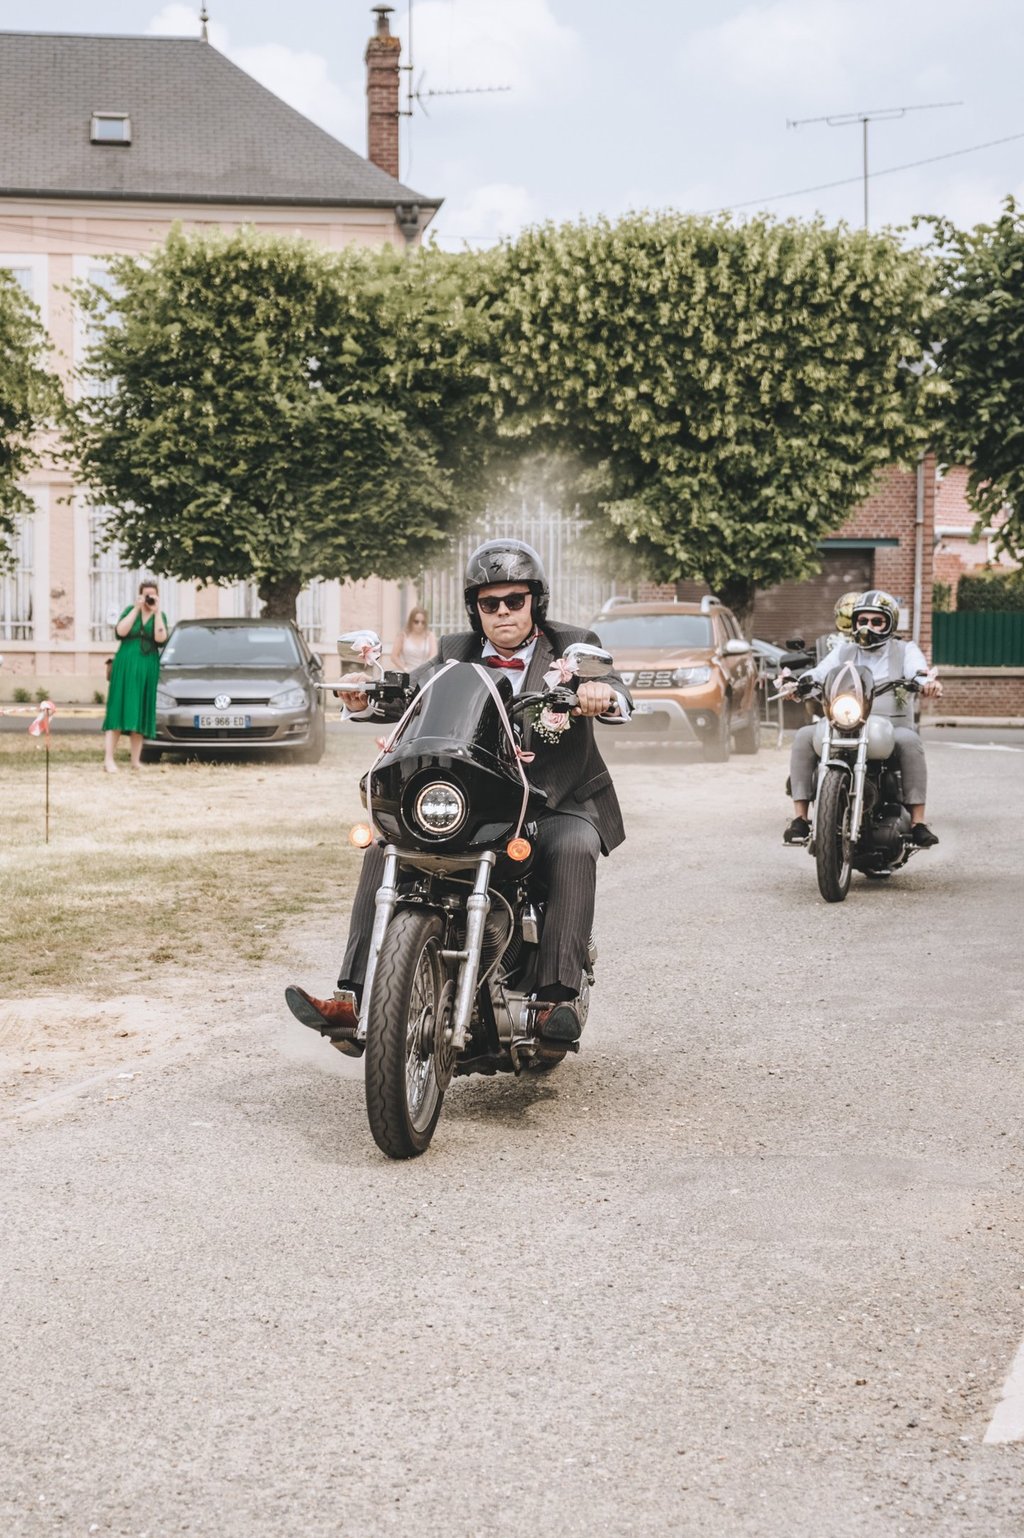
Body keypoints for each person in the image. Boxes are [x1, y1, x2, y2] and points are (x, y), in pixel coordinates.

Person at [286, 539, 632, 1052]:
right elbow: (412, 693)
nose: (503, 612)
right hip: (481, 800)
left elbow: (621, 694)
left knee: (573, 847)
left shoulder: (573, 644)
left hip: (556, 800)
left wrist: (602, 695)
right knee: (385, 845)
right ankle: (355, 997)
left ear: (535, 600)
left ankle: (554, 1002)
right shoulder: (455, 651)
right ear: (475, 610)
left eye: (514, 600)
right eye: (489, 603)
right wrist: (364, 696)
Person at [781, 588, 943, 847]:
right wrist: (796, 684)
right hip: (846, 719)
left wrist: (925, 682)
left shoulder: (904, 649)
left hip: (890, 724)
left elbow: (917, 670)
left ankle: (918, 823)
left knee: (910, 742)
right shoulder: (844, 650)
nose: (868, 627)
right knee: (803, 736)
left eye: (876, 621)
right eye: (862, 621)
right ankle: (800, 818)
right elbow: (820, 672)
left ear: (889, 623)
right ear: (854, 623)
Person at [102, 580, 167, 772]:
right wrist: (137, 609)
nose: (148, 598)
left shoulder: (159, 615)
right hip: (126, 665)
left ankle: (135, 761)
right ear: (139, 595)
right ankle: (108, 760)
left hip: (147, 667)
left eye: (152, 595)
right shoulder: (130, 610)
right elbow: (121, 631)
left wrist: (156, 612)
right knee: (118, 709)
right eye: (145, 594)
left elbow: (160, 638)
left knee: (140, 710)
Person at [391, 605, 437, 671]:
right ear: (411, 621)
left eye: (423, 622)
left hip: (425, 673)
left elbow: (433, 656)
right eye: (416, 622)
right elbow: (394, 657)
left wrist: (425, 668)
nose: (419, 625)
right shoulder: (403, 635)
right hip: (407, 672)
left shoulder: (430, 636)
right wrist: (405, 669)